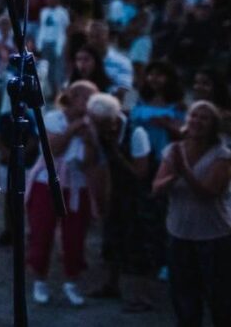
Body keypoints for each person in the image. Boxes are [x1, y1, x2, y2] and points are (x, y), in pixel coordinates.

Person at [153, 100, 231, 326]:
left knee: (220, 300)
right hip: (179, 235)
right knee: (184, 299)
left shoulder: (223, 156)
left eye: (204, 117)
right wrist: (174, 175)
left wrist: (184, 170)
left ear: (213, 125)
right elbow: (156, 188)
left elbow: (209, 192)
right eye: (194, 116)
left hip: (214, 237)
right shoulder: (174, 150)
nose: (197, 121)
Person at [27, 80, 100, 307]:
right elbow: (52, 150)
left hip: (77, 185)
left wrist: (90, 140)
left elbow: (89, 162)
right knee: (42, 231)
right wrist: (73, 129)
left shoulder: (92, 124)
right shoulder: (52, 118)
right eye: (87, 98)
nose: (90, 105)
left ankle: (72, 282)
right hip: (47, 182)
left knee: (75, 235)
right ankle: (40, 280)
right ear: (74, 98)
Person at [87, 92, 158, 312]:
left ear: (111, 120)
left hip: (140, 196)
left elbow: (141, 173)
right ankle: (112, 284)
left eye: (99, 123)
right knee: (112, 238)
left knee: (139, 244)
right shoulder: (102, 132)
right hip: (118, 192)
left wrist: (117, 153)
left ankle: (143, 296)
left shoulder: (136, 133)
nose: (95, 127)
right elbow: (105, 167)